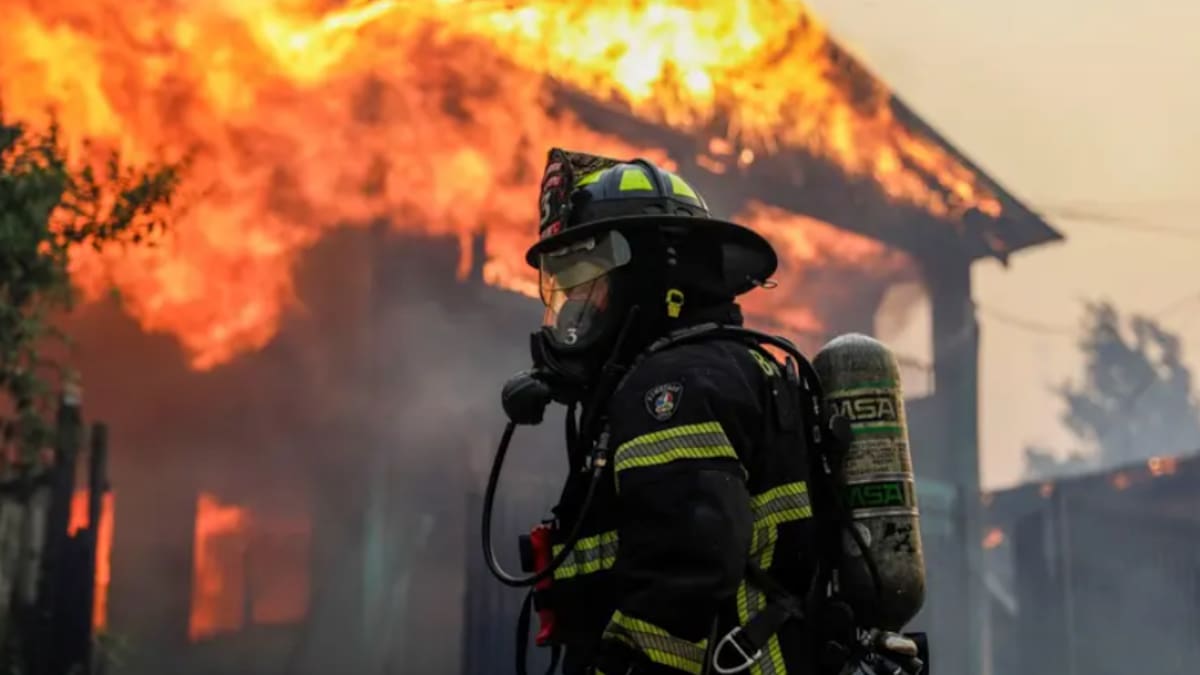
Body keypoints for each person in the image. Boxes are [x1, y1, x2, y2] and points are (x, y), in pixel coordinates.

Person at [504, 147, 831, 675]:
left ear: (648, 276)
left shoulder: (674, 388)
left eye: (589, 281)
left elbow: (683, 577)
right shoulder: (721, 370)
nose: (573, 308)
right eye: (565, 286)